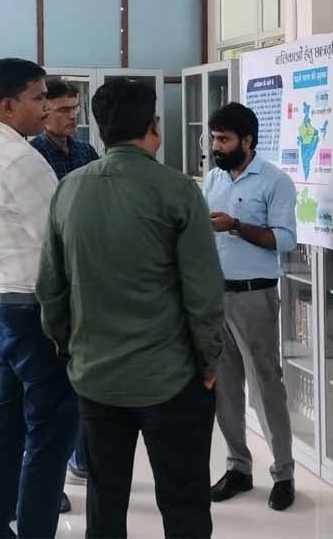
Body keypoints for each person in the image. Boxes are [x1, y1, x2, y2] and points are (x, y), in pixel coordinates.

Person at [37, 78, 224, 539]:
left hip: (96, 377)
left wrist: (71, 349)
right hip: (171, 377)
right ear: (152, 127)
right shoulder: (178, 190)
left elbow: (51, 289)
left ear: (100, 130)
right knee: (183, 501)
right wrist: (209, 362)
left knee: (104, 500)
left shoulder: (68, 190)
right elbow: (203, 294)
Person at [0, 59, 77, 539]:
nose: (47, 107)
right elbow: (60, 237)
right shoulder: (19, 158)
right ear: (8, 105)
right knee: (50, 430)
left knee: (5, 424)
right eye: (38, 97)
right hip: (34, 311)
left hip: (2, 304)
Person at [202, 102, 298, 512]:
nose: (216, 147)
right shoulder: (212, 179)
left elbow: (285, 239)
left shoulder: (275, 181)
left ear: (247, 140)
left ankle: (284, 473)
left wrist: (237, 226)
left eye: (223, 139)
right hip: (216, 297)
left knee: (265, 388)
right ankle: (238, 468)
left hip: (255, 296)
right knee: (225, 390)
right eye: (214, 139)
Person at [30, 77, 99, 485]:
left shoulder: (86, 151)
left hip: (88, 267)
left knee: (87, 371)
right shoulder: (33, 157)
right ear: (44, 113)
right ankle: (61, 461)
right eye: (64, 110)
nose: (73, 117)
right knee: (56, 378)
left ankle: (84, 457)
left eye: (76, 109)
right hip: (55, 270)